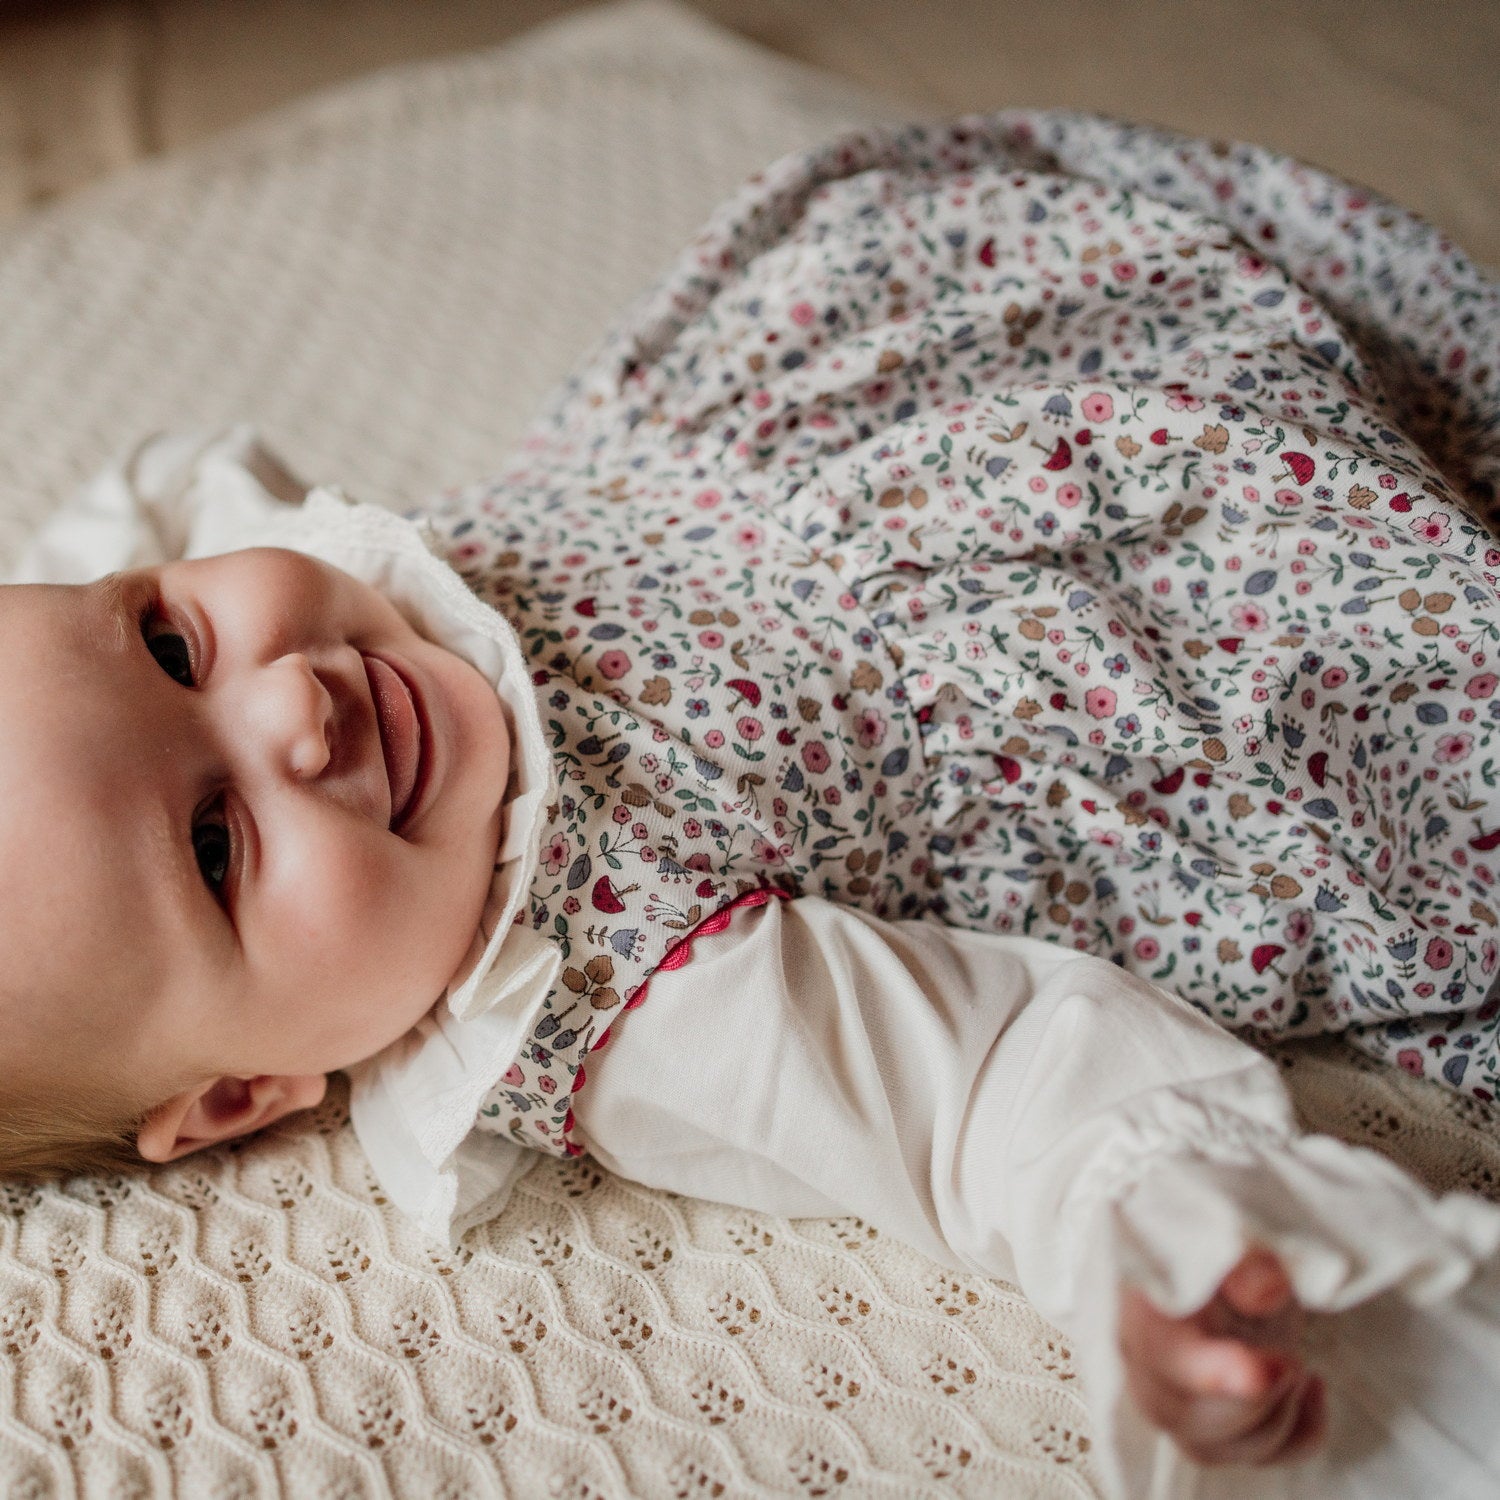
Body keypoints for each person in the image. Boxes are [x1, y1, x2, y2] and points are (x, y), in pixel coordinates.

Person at [4, 110, 1500, 1497]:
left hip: (901, 411)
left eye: (166, 642)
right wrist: (1161, 1240)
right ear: (240, 1096)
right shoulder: (627, 988)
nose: (289, 703)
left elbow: (157, 492)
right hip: (1151, 653)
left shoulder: (258, 571)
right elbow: (982, 1094)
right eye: (216, 845)